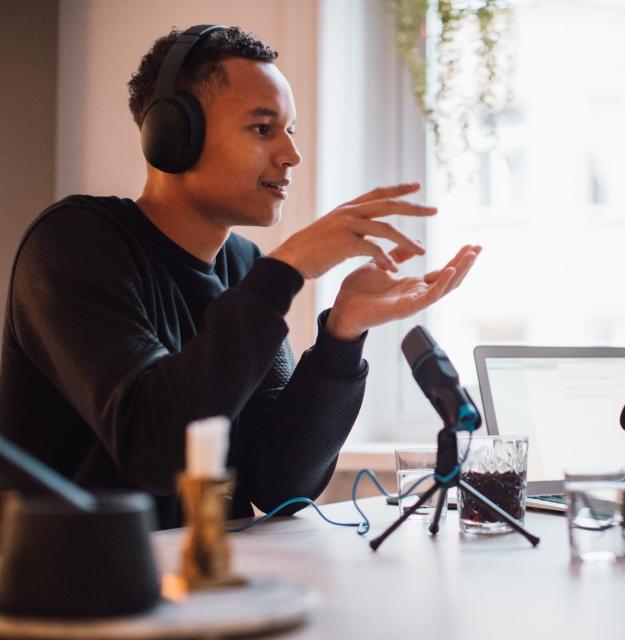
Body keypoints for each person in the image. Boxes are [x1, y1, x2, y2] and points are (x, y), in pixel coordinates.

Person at [0, 26, 479, 529]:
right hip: (76, 590)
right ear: (173, 135)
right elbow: (157, 449)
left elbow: (279, 484)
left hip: (199, 581)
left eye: (291, 130)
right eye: (262, 129)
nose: (291, 154)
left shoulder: (243, 266)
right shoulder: (74, 243)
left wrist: (342, 333)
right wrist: (288, 268)